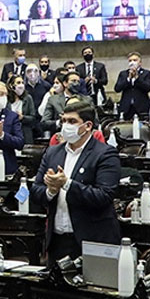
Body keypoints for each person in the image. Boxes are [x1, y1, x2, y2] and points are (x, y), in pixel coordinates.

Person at [32, 100, 121, 264]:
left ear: (87, 126)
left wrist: (67, 184)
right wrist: (50, 190)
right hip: (57, 241)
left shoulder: (105, 154)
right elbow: (36, 190)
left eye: (72, 121)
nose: (66, 126)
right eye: (64, 121)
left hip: (92, 240)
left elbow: (104, 196)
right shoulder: (52, 152)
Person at [114, 52, 150, 121]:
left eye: (135, 60)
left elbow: (148, 87)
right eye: (130, 61)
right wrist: (128, 79)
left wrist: (137, 78)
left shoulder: (146, 73)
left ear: (140, 62)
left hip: (141, 108)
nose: (132, 62)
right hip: (126, 108)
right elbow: (117, 88)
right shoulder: (123, 74)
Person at [7, 74, 38, 143]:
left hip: (25, 133)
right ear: (11, 86)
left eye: (22, 83)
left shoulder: (28, 98)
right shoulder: (6, 99)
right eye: (18, 83)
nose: (21, 85)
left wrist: (22, 117)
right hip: (10, 132)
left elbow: (33, 118)